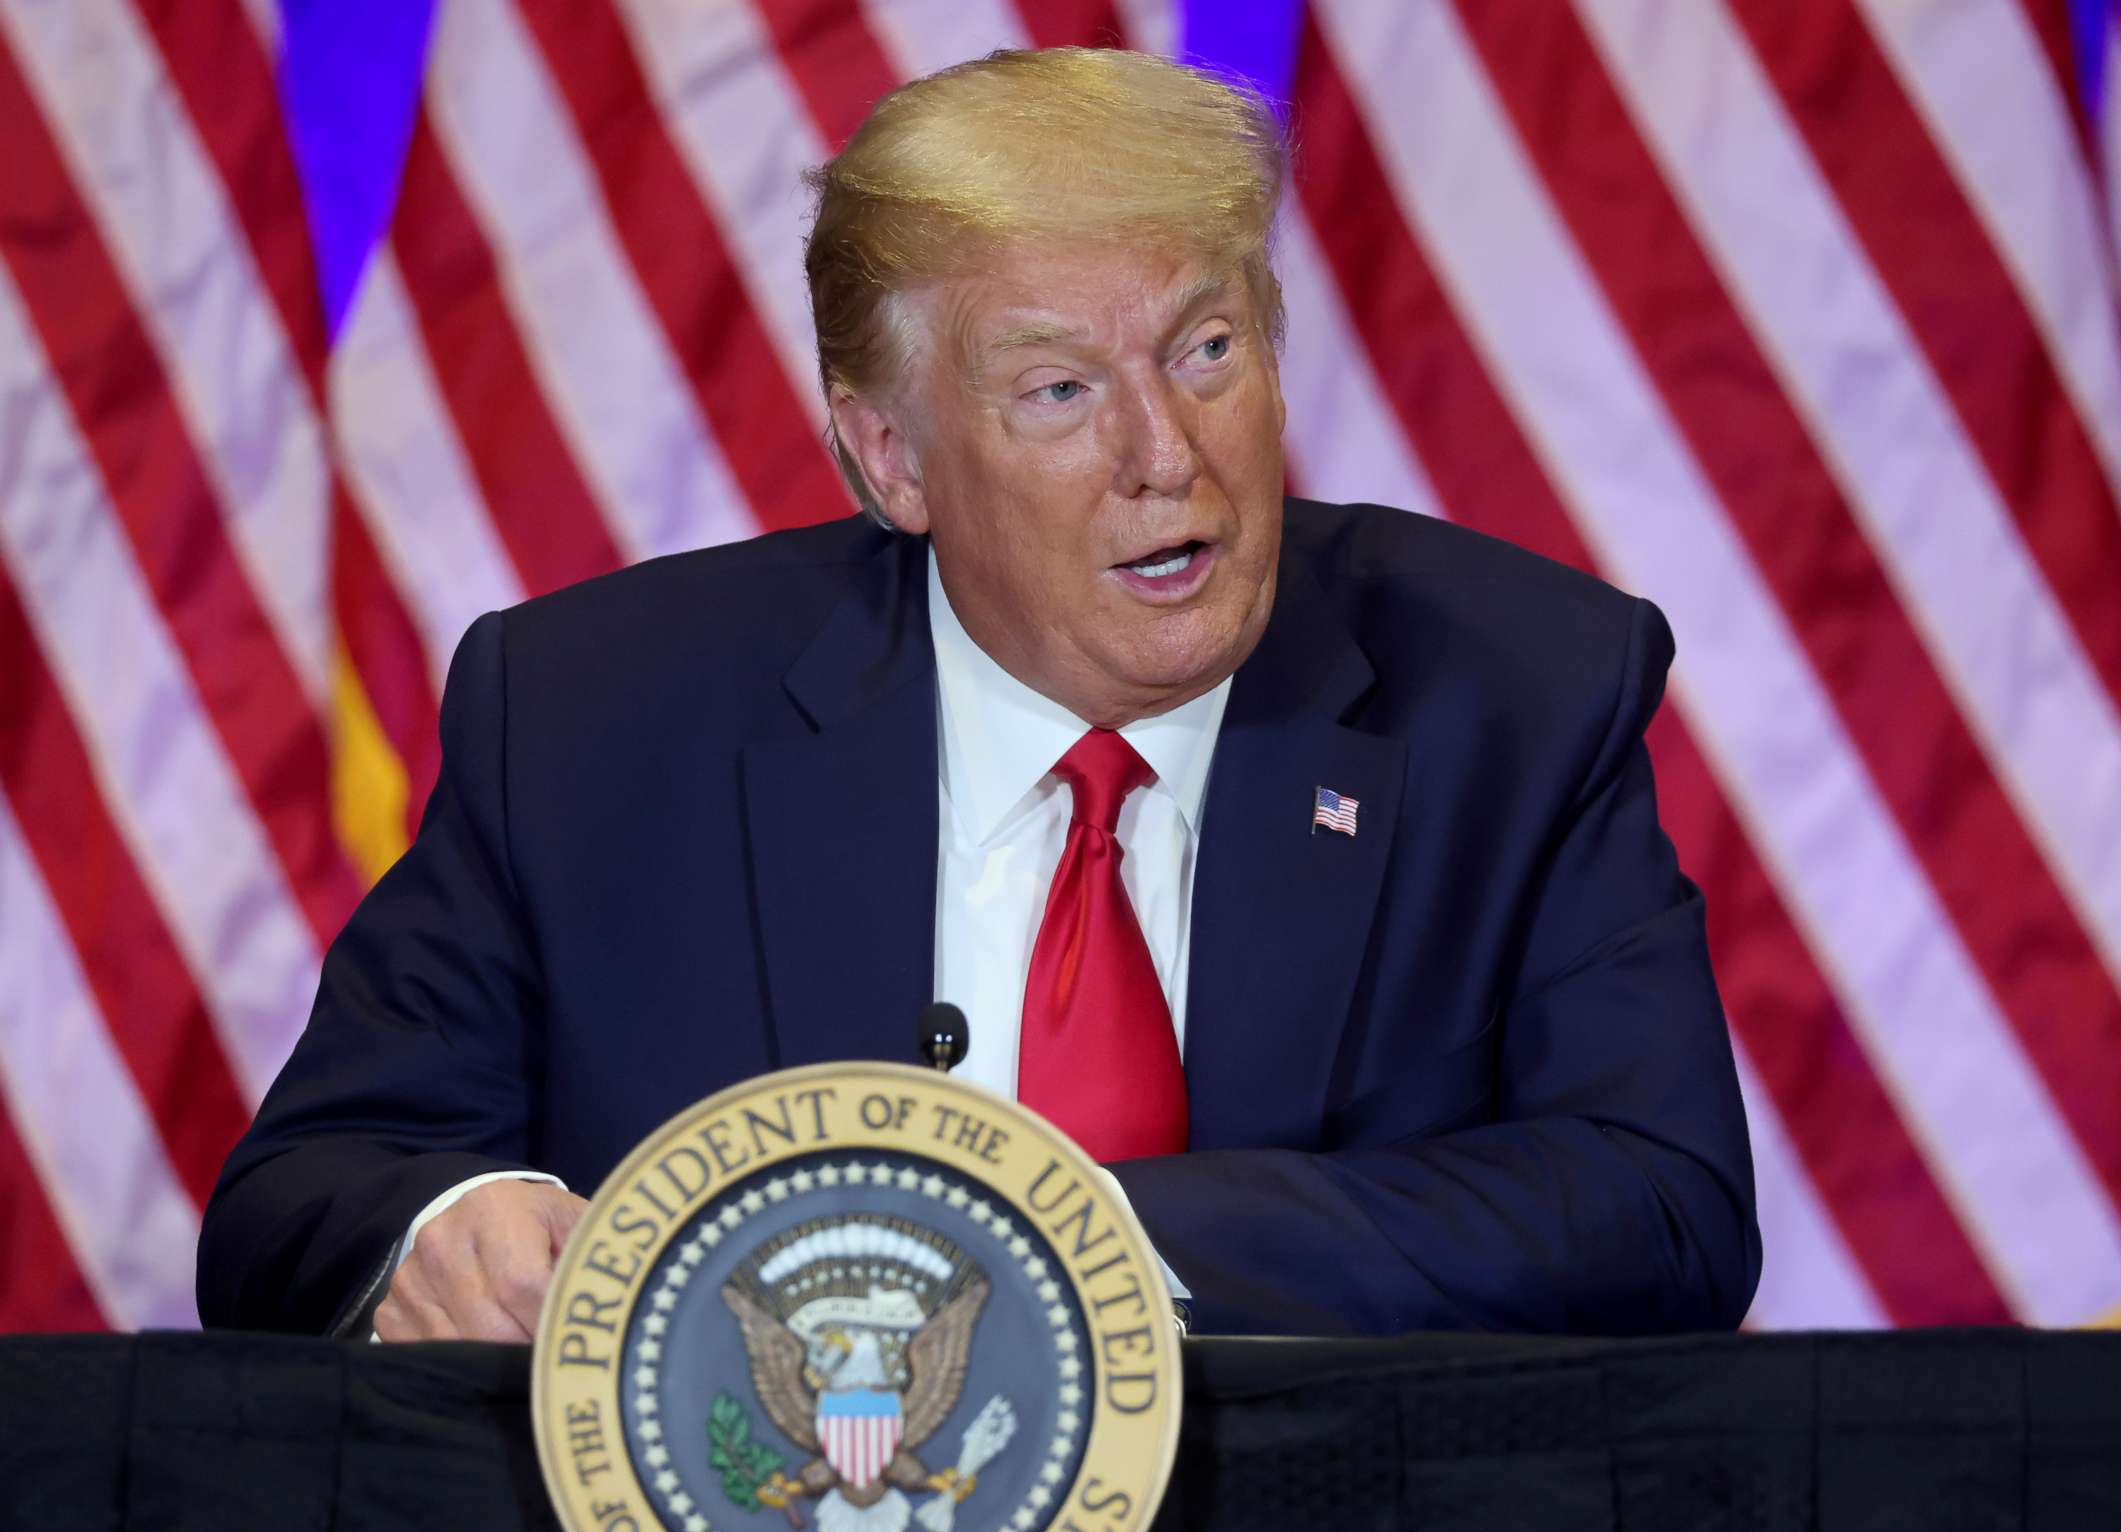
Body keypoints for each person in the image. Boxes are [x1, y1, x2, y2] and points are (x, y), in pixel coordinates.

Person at [195, 47, 1758, 1342]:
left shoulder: (1512, 689)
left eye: (1208, 349)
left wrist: (1061, 1237)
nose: (1169, 455)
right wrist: (452, 1229)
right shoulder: (597, 720)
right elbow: (298, 1201)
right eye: (1061, 390)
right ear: (892, 459)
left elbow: (1663, 1206)